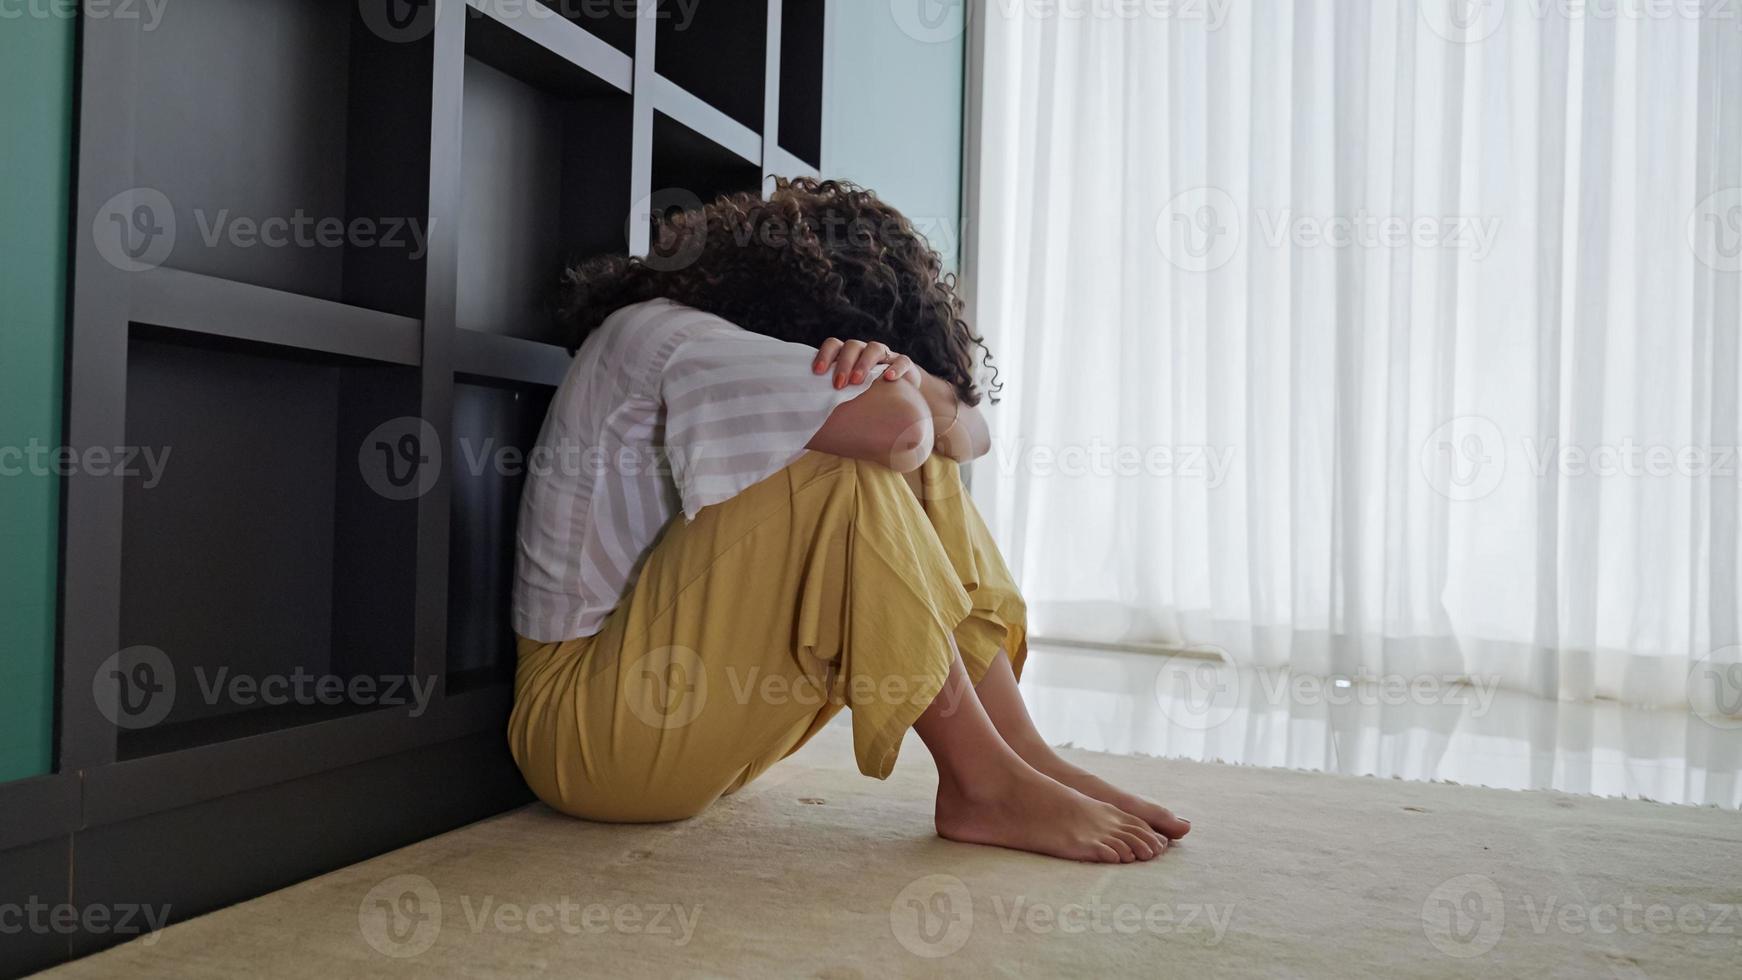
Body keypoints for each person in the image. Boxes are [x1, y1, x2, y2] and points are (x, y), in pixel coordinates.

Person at [508, 178, 1190, 863]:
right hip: (582, 735)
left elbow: (969, 436)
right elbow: (898, 430)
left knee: (913, 457)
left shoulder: (721, 343)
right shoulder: (668, 336)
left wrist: (910, 378)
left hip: (672, 724)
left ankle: (1024, 756)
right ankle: (981, 783)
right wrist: (898, 389)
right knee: (842, 465)